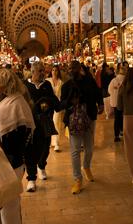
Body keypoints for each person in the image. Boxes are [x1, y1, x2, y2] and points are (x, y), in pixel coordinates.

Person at [0, 69, 35, 224]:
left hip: (9, 165)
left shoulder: (12, 106)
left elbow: (11, 142)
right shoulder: (12, 102)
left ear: (7, 86)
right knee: (7, 209)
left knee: (9, 211)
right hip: (9, 164)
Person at [60, 61, 104, 195]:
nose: (72, 70)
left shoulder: (88, 81)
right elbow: (62, 103)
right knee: (75, 150)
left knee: (89, 147)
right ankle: (77, 179)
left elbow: (97, 92)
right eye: (70, 68)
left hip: (89, 116)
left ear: (79, 69)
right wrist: (70, 102)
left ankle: (86, 166)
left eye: (74, 68)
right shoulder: (67, 86)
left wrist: (100, 104)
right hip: (74, 120)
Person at [24, 61, 61, 192]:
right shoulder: (26, 86)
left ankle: (41, 166)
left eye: (43, 71)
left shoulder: (47, 85)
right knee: (30, 151)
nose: (42, 73)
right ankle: (31, 179)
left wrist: (52, 104)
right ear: (32, 72)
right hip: (30, 123)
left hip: (45, 122)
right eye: (39, 71)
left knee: (45, 148)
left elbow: (53, 99)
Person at [46, 65, 64, 152]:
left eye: (56, 70)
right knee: (49, 123)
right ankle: (49, 142)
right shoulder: (47, 81)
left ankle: (56, 143)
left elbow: (61, 95)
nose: (54, 72)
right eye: (53, 70)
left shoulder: (61, 82)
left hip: (57, 105)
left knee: (56, 123)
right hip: (48, 106)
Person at [108, 63, 125, 142]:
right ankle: (123, 131)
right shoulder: (126, 80)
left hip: (115, 103)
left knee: (117, 118)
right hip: (124, 103)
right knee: (124, 118)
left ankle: (116, 135)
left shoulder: (113, 80)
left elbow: (109, 91)